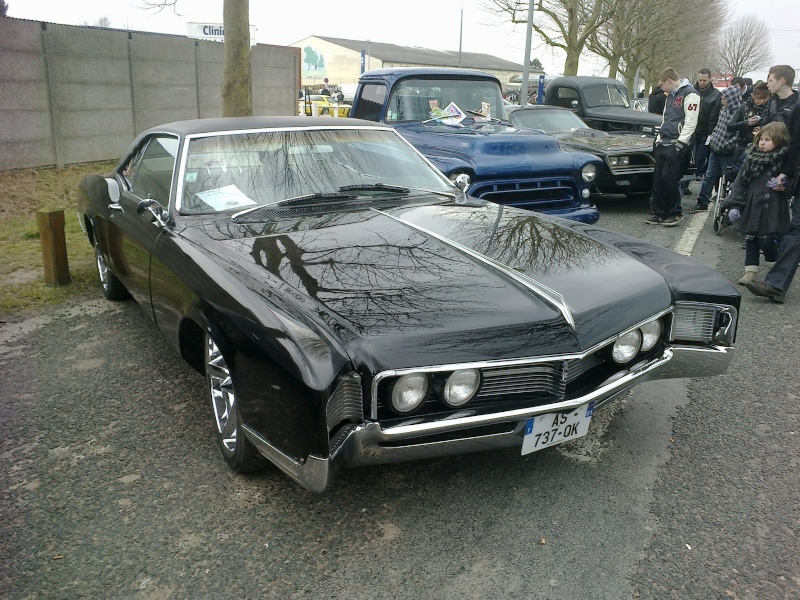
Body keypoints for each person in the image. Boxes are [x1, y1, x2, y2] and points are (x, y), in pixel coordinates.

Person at [745, 65, 800, 302]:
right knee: (796, 229)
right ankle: (776, 284)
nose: (768, 83)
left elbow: (795, 142)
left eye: (771, 79)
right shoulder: (774, 103)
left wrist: (785, 172)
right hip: (789, 169)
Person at [721, 122, 791, 284]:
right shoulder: (751, 158)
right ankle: (750, 272)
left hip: (773, 207)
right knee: (751, 238)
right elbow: (740, 183)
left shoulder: (783, 162)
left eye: (767, 140)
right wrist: (735, 205)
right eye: (761, 139)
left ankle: (773, 260)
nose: (762, 143)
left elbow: (791, 182)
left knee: (766, 239)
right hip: (752, 205)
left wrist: (784, 185)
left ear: (779, 141)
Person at [645, 68, 700, 227]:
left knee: (670, 178)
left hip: (677, 142)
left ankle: (674, 212)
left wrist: (681, 142)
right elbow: (666, 119)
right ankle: (659, 211)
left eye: (662, 84)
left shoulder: (690, 94)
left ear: (669, 80)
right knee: (658, 180)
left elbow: (691, 121)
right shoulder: (670, 96)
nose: (661, 88)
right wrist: (658, 138)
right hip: (664, 141)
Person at [690, 85, 741, 212]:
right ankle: (703, 202)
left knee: (727, 179)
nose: (722, 102)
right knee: (709, 176)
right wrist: (713, 136)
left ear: (731, 99)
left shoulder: (739, 113)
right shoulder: (723, 110)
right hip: (715, 148)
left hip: (727, 152)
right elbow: (718, 126)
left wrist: (727, 145)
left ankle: (727, 205)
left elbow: (738, 135)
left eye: (724, 99)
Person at [693, 68, 722, 180]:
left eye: (704, 80)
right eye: (700, 80)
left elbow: (715, 115)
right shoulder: (691, 92)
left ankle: (698, 173)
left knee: (700, 155)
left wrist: (712, 131)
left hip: (706, 130)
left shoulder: (716, 95)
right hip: (691, 129)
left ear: (710, 79)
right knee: (690, 155)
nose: (702, 83)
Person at [728, 82, 770, 148]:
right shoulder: (744, 107)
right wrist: (746, 123)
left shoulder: (769, 109)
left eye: (764, 99)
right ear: (753, 96)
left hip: (760, 146)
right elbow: (730, 126)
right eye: (759, 98)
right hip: (743, 145)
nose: (762, 101)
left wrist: (762, 128)